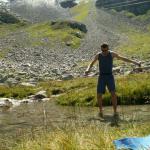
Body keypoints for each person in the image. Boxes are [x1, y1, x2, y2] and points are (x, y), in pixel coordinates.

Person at [84, 43, 141, 117]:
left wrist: (135, 62)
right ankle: (101, 112)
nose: (104, 52)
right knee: (99, 95)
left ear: (108, 49)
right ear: (101, 49)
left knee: (113, 94)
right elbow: (91, 63)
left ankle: (115, 112)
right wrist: (88, 69)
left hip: (110, 76)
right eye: (103, 50)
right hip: (101, 76)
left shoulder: (112, 54)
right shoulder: (98, 55)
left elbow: (123, 58)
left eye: (106, 50)